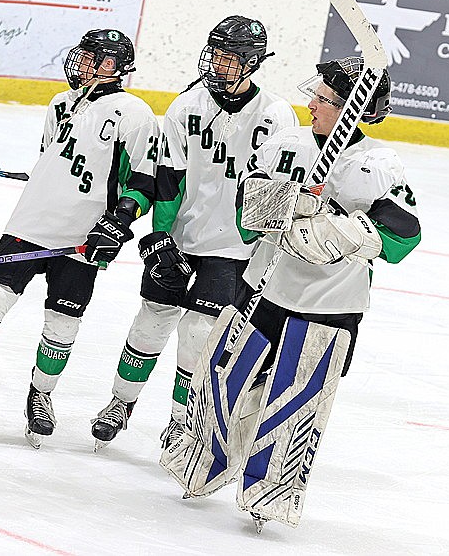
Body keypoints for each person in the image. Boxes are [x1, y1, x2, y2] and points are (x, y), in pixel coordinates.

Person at [161, 56, 421, 530]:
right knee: (222, 381)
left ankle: (272, 494)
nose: (312, 103)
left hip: (329, 307)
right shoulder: (286, 144)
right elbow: (245, 217)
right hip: (261, 289)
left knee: (295, 404)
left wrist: (342, 231)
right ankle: (199, 463)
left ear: (352, 109)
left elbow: (403, 239)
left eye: (324, 99)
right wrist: (287, 205)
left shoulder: (377, 164)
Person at [0, 28, 159, 448]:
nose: (84, 63)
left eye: (96, 58)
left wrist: (116, 223)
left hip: (82, 237)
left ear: (116, 67)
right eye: (84, 54)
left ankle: (41, 396)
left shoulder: (135, 114)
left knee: (62, 323)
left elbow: (143, 183)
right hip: (28, 224)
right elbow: (51, 162)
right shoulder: (59, 103)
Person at [88, 16, 299, 451]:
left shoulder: (277, 115)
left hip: (232, 249)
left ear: (252, 61)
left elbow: (272, 194)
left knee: (199, 336)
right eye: (214, 53)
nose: (216, 64)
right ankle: (119, 403)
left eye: (227, 57)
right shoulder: (188, 105)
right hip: (181, 237)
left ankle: (181, 423)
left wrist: (254, 246)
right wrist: (160, 236)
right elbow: (168, 178)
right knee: (151, 319)